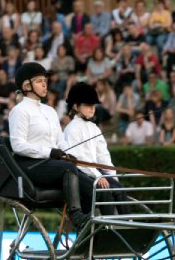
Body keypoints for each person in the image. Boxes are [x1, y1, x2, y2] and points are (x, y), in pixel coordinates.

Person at [8, 62, 92, 228]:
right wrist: (49, 152)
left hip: (53, 165)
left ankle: (90, 229)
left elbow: (60, 142)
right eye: (39, 81)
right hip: (31, 166)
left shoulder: (50, 111)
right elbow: (18, 145)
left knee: (91, 185)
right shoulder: (19, 111)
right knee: (68, 169)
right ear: (27, 86)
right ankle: (76, 215)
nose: (45, 84)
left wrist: (70, 154)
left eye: (45, 80)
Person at [63, 82, 126, 216]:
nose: (92, 109)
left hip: (95, 173)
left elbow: (103, 155)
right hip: (81, 174)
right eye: (88, 105)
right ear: (76, 106)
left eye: (93, 105)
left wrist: (112, 176)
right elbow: (79, 159)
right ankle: (108, 226)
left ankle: (127, 221)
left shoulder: (94, 128)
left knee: (119, 188)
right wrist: (98, 176)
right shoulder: (72, 129)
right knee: (105, 190)